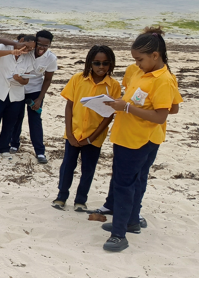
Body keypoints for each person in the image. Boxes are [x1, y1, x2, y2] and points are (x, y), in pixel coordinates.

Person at [97, 27, 180, 252]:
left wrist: (128, 108)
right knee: (133, 180)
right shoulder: (136, 71)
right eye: (135, 59)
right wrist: (122, 104)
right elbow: (129, 96)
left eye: (140, 59)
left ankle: (119, 234)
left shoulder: (164, 79)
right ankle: (131, 221)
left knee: (125, 184)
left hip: (140, 139)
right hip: (126, 135)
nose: (137, 63)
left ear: (155, 56)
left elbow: (167, 112)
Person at [53, 45, 120, 213]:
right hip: (74, 133)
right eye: (97, 63)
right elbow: (69, 106)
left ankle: (81, 200)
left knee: (88, 169)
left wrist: (91, 138)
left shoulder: (113, 85)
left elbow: (109, 115)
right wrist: (69, 133)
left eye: (105, 63)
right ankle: (61, 196)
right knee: (68, 165)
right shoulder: (77, 79)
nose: (101, 67)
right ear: (90, 63)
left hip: (94, 137)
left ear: (111, 64)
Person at [0, 34, 38, 159]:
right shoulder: (5, 47)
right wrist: (11, 51)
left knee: (10, 123)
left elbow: (26, 81)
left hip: (16, 95)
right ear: (21, 41)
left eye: (31, 49)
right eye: (27, 47)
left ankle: (4, 148)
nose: (28, 50)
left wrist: (19, 79)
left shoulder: (29, 58)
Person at [20, 30, 59, 164]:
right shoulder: (28, 51)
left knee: (35, 120)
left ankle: (40, 152)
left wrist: (40, 98)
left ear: (49, 46)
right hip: (19, 88)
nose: (42, 48)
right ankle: (13, 144)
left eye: (46, 45)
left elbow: (47, 79)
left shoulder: (51, 58)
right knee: (16, 117)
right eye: (39, 44)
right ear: (35, 42)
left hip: (36, 90)